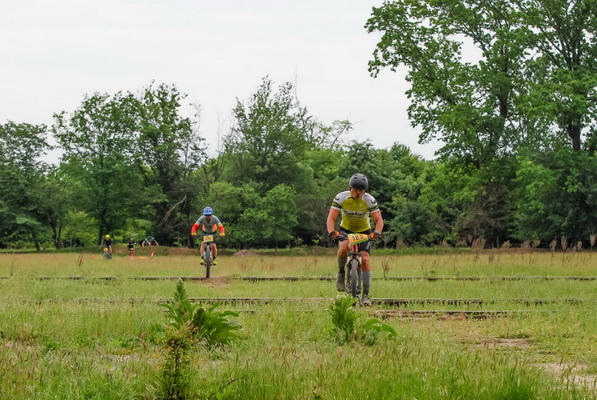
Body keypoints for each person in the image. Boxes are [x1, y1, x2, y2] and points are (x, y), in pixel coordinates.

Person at [326, 173, 384, 306]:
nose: (358, 193)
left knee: (365, 259)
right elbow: (331, 218)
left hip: (364, 231)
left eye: (361, 190)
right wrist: (331, 231)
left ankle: (366, 295)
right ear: (350, 188)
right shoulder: (341, 197)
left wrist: (376, 233)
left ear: (365, 191)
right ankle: (341, 273)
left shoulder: (369, 200)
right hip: (346, 230)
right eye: (355, 189)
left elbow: (379, 220)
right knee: (342, 249)